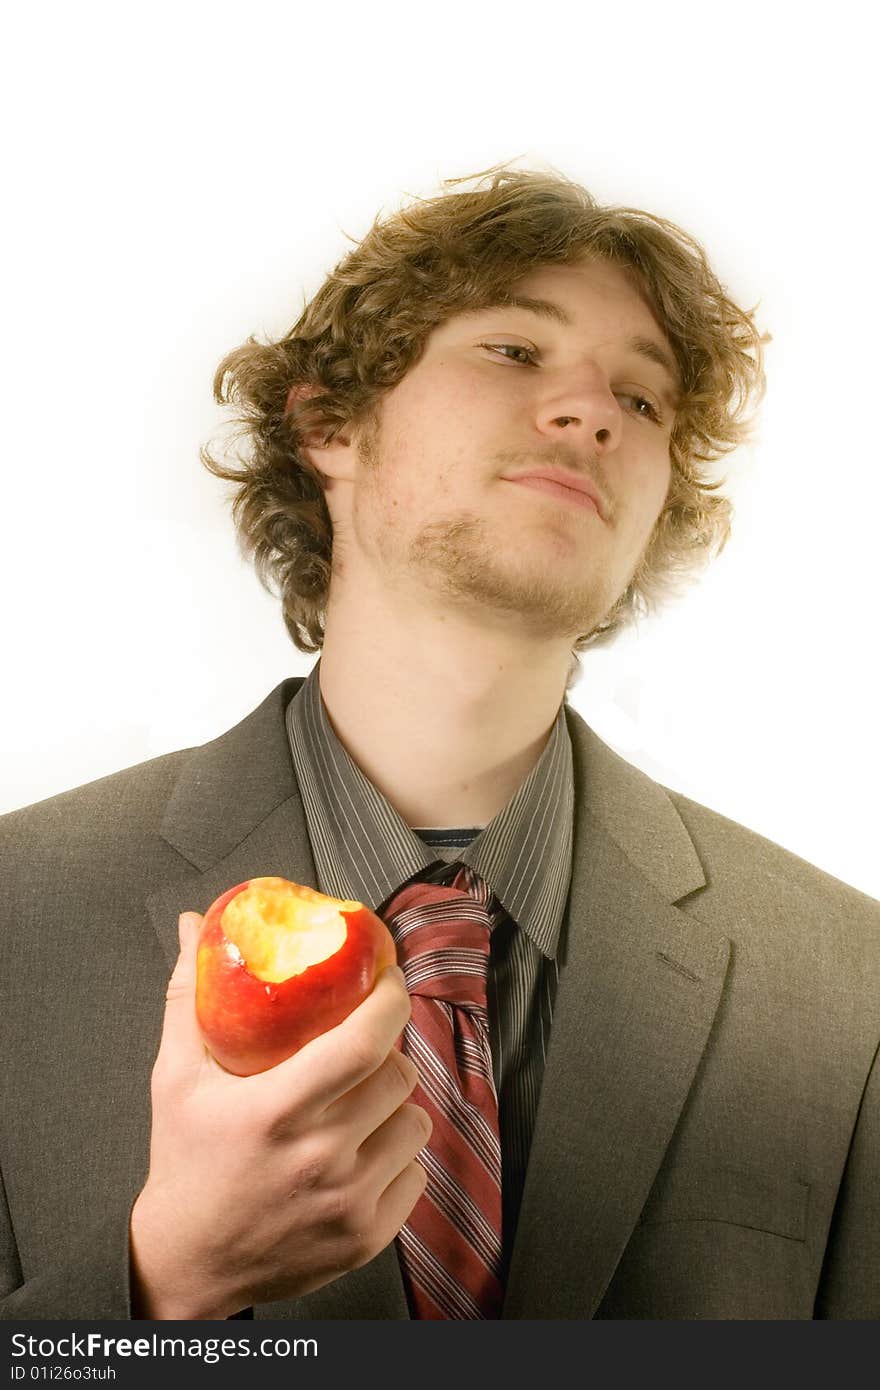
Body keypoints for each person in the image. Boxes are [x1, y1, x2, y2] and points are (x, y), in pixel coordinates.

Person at [1, 163, 877, 1323]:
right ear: (328, 424)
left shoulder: (844, 985)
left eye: (644, 398)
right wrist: (167, 1286)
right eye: (514, 351)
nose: (592, 411)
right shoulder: (17, 916)